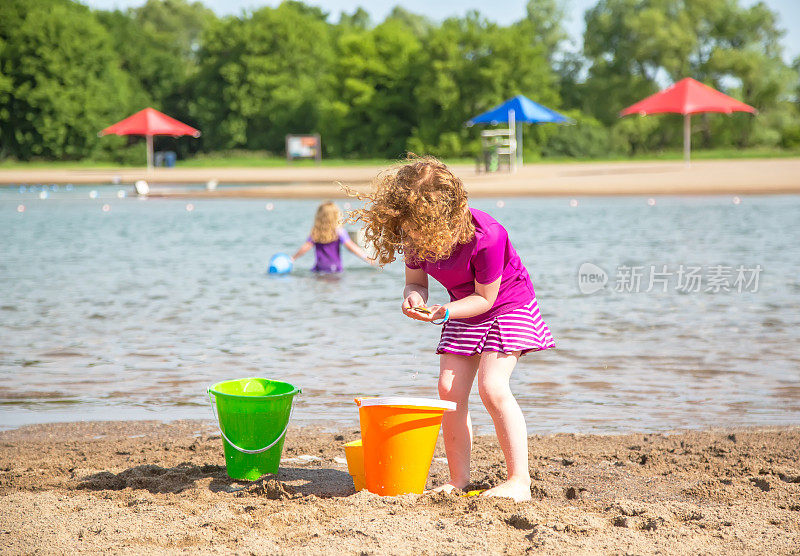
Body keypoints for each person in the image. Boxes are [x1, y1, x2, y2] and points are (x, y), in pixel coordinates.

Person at [349, 156, 555, 502]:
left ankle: (519, 480)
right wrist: (413, 299)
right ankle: (459, 479)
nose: (412, 238)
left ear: (444, 217)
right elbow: (416, 282)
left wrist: (444, 313)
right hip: (460, 308)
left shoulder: (487, 235)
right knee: (448, 390)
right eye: (408, 229)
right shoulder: (414, 239)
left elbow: (485, 299)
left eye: (418, 229)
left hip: (507, 304)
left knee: (492, 387)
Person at [292, 201, 372, 272]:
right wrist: (367, 257)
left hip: (319, 268)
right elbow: (351, 246)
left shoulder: (316, 232)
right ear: (336, 216)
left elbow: (305, 247)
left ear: (319, 216)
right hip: (335, 269)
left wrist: (293, 258)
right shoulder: (339, 231)